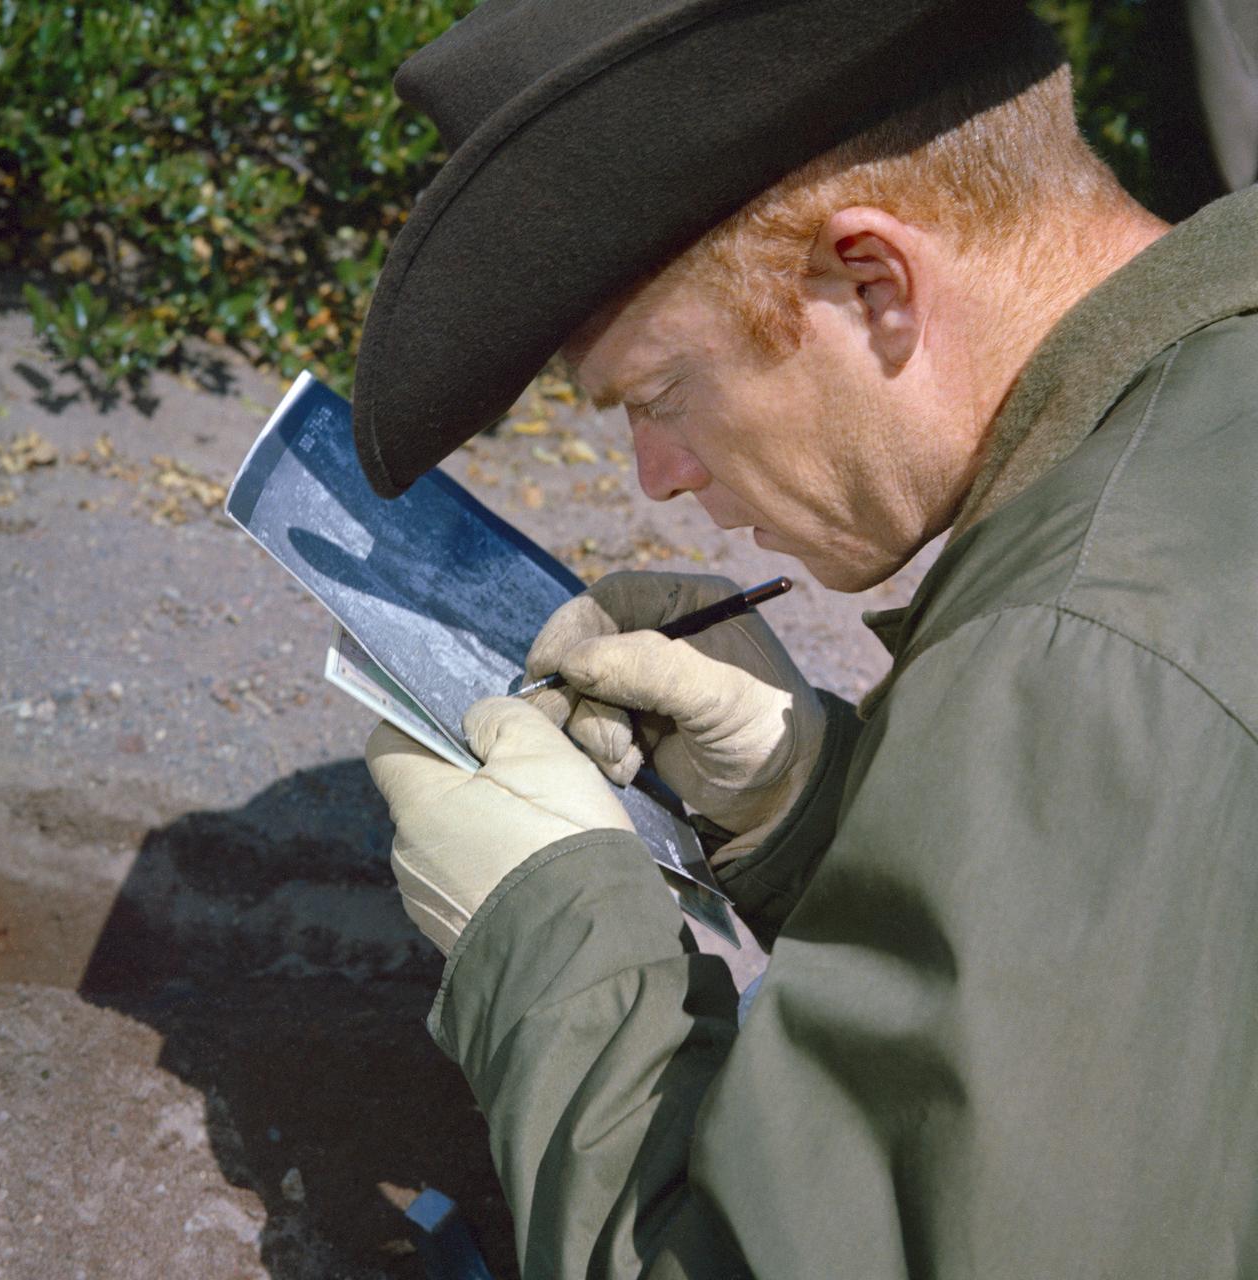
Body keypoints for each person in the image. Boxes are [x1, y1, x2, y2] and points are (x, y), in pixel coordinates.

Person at [355, 2, 1258, 1275]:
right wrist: (806, 801)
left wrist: (547, 931)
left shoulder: (1081, 650)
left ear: (872, 281)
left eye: (661, 394)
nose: (657, 475)